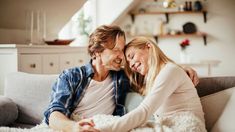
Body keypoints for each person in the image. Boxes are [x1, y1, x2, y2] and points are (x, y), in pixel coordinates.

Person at [43, 25, 199, 132]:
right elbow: (54, 114)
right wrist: (75, 128)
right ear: (97, 52)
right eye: (116, 50)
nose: (121, 57)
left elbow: (160, 76)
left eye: (122, 51)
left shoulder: (123, 77)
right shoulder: (71, 76)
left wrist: (182, 69)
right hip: (76, 127)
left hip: (104, 125)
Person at [94, 37, 206, 132]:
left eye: (132, 56)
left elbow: (144, 111)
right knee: (102, 120)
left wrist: (102, 130)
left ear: (149, 46)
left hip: (187, 126)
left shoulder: (170, 71)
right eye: (128, 63)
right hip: (171, 124)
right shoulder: (153, 77)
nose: (131, 65)